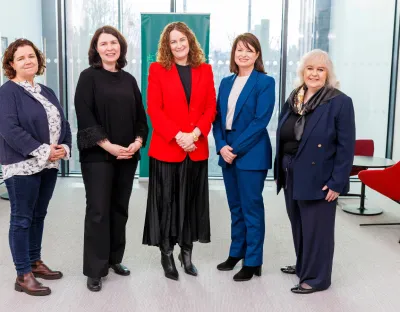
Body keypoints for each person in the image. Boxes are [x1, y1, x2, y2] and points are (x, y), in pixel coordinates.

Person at [274, 49, 355, 294]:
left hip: (321, 177)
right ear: (303, 71)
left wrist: (337, 182)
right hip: (290, 171)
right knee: (298, 223)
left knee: (317, 229)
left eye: (321, 69)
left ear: (328, 74)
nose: (314, 73)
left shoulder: (339, 101)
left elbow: (346, 146)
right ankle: (303, 265)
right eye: (310, 68)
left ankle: (317, 278)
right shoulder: (294, 98)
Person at [74, 26, 148, 292]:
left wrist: (137, 142)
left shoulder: (129, 80)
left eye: (113, 43)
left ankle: (115, 259)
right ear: (96, 49)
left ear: (121, 47)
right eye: (103, 43)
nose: (109, 47)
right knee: (98, 211)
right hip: (98, 157)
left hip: (127, 156)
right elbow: (85, 117)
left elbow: (141, 117)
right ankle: (95, 269)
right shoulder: (87, 77)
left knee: (119, 209)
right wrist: (109, 146)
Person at [142, 22, 216, 281]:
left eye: (182, 39)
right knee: (167, 204)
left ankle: (187, 253)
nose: (178, 45)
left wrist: (195, 134)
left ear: (190, 41)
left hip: (196, 148)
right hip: (167, 148)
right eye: (173, 41)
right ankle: (166, 254)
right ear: (167, 45)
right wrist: (178, 136)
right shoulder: (157, 70)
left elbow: (210, 107)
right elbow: (154, 109)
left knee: (191, 203)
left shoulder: (205, 70)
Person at [0, 39, 72, 296]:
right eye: (21, 58)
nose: (28, 61)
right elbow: (9, 130)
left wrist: (64, 146)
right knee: (21, 219)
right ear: (11, 64)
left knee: (38, 216)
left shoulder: (46, 91)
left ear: (38, 60)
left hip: (49, 165)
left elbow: (63, 122)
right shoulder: (7, 92)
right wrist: (43, 149)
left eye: (31, 56)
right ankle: (23, 274)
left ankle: (34, 262)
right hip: (21, 166)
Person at [212, 33, 275, 282]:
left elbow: (261, 121)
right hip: (227, 151)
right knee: (235, 207)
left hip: (251, 153)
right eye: (239, 50)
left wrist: (234, 148)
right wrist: (220, 146)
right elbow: (217, 118)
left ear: (257, 54)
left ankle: (253, 260)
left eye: (249, 50)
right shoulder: (226, 82)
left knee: (251, 209)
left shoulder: (264, 82)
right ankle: (236, 252)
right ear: (233, 54)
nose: (243, 54)